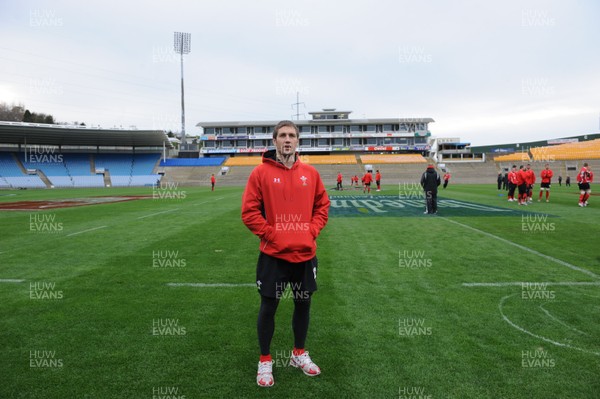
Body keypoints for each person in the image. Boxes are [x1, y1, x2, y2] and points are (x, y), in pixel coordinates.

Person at [241, 120, 330, 387]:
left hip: (304, 254)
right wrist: (272, 235)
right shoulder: (260, 173)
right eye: (282, 135)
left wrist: (310, 231)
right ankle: (265, 360)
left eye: (292, 135)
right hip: (274, 256)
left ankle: (298, 354)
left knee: (303, 304)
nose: (287, 139)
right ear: (275, 141)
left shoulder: (311, 174)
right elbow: (249, 212)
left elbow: (322, 206)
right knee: (269, 306)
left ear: (298, 141)